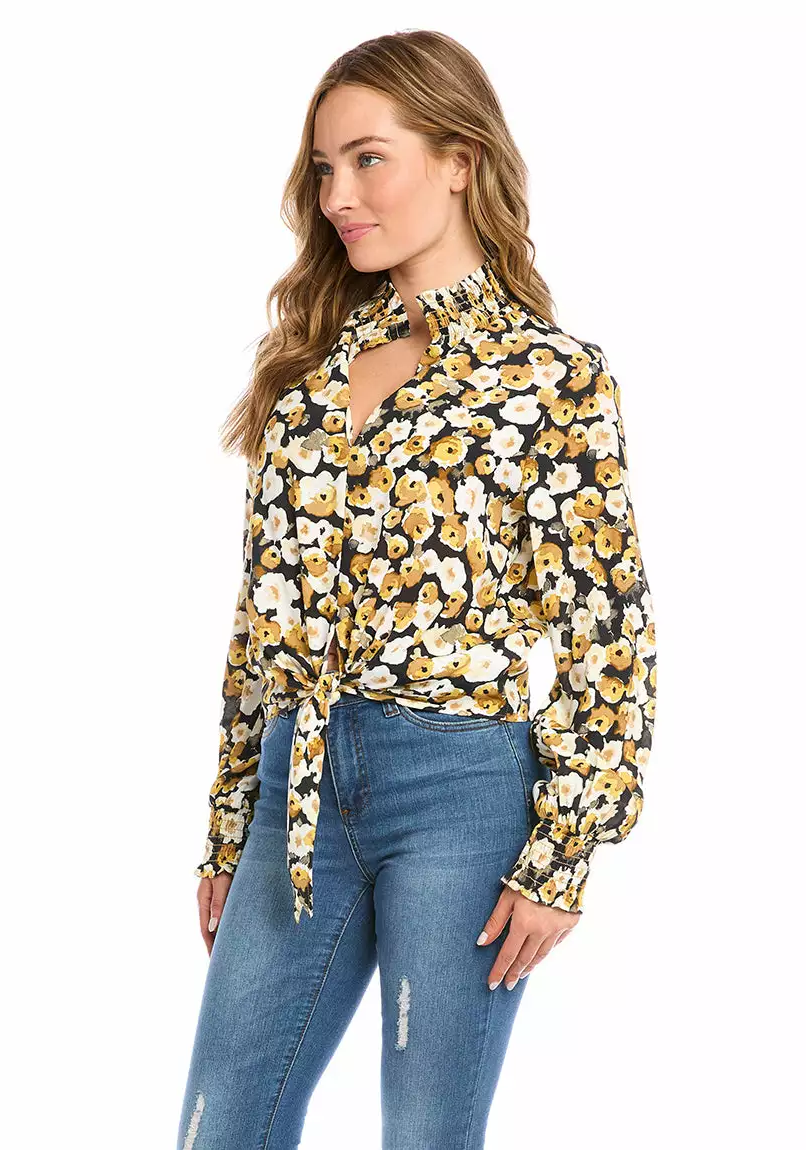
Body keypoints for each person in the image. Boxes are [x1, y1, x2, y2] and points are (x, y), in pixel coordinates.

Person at [177, 29, 657, 1150]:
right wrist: (229, 826)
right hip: (296, 794)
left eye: (368, 159)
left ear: (458, 160)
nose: (337, 196)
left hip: (461, 791)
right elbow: (259, 627)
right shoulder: (306, 377)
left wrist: (563, 853)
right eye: (323, 169)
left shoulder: (550, 378)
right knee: (218, 1124)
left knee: (427, 1135)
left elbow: (607, 631)